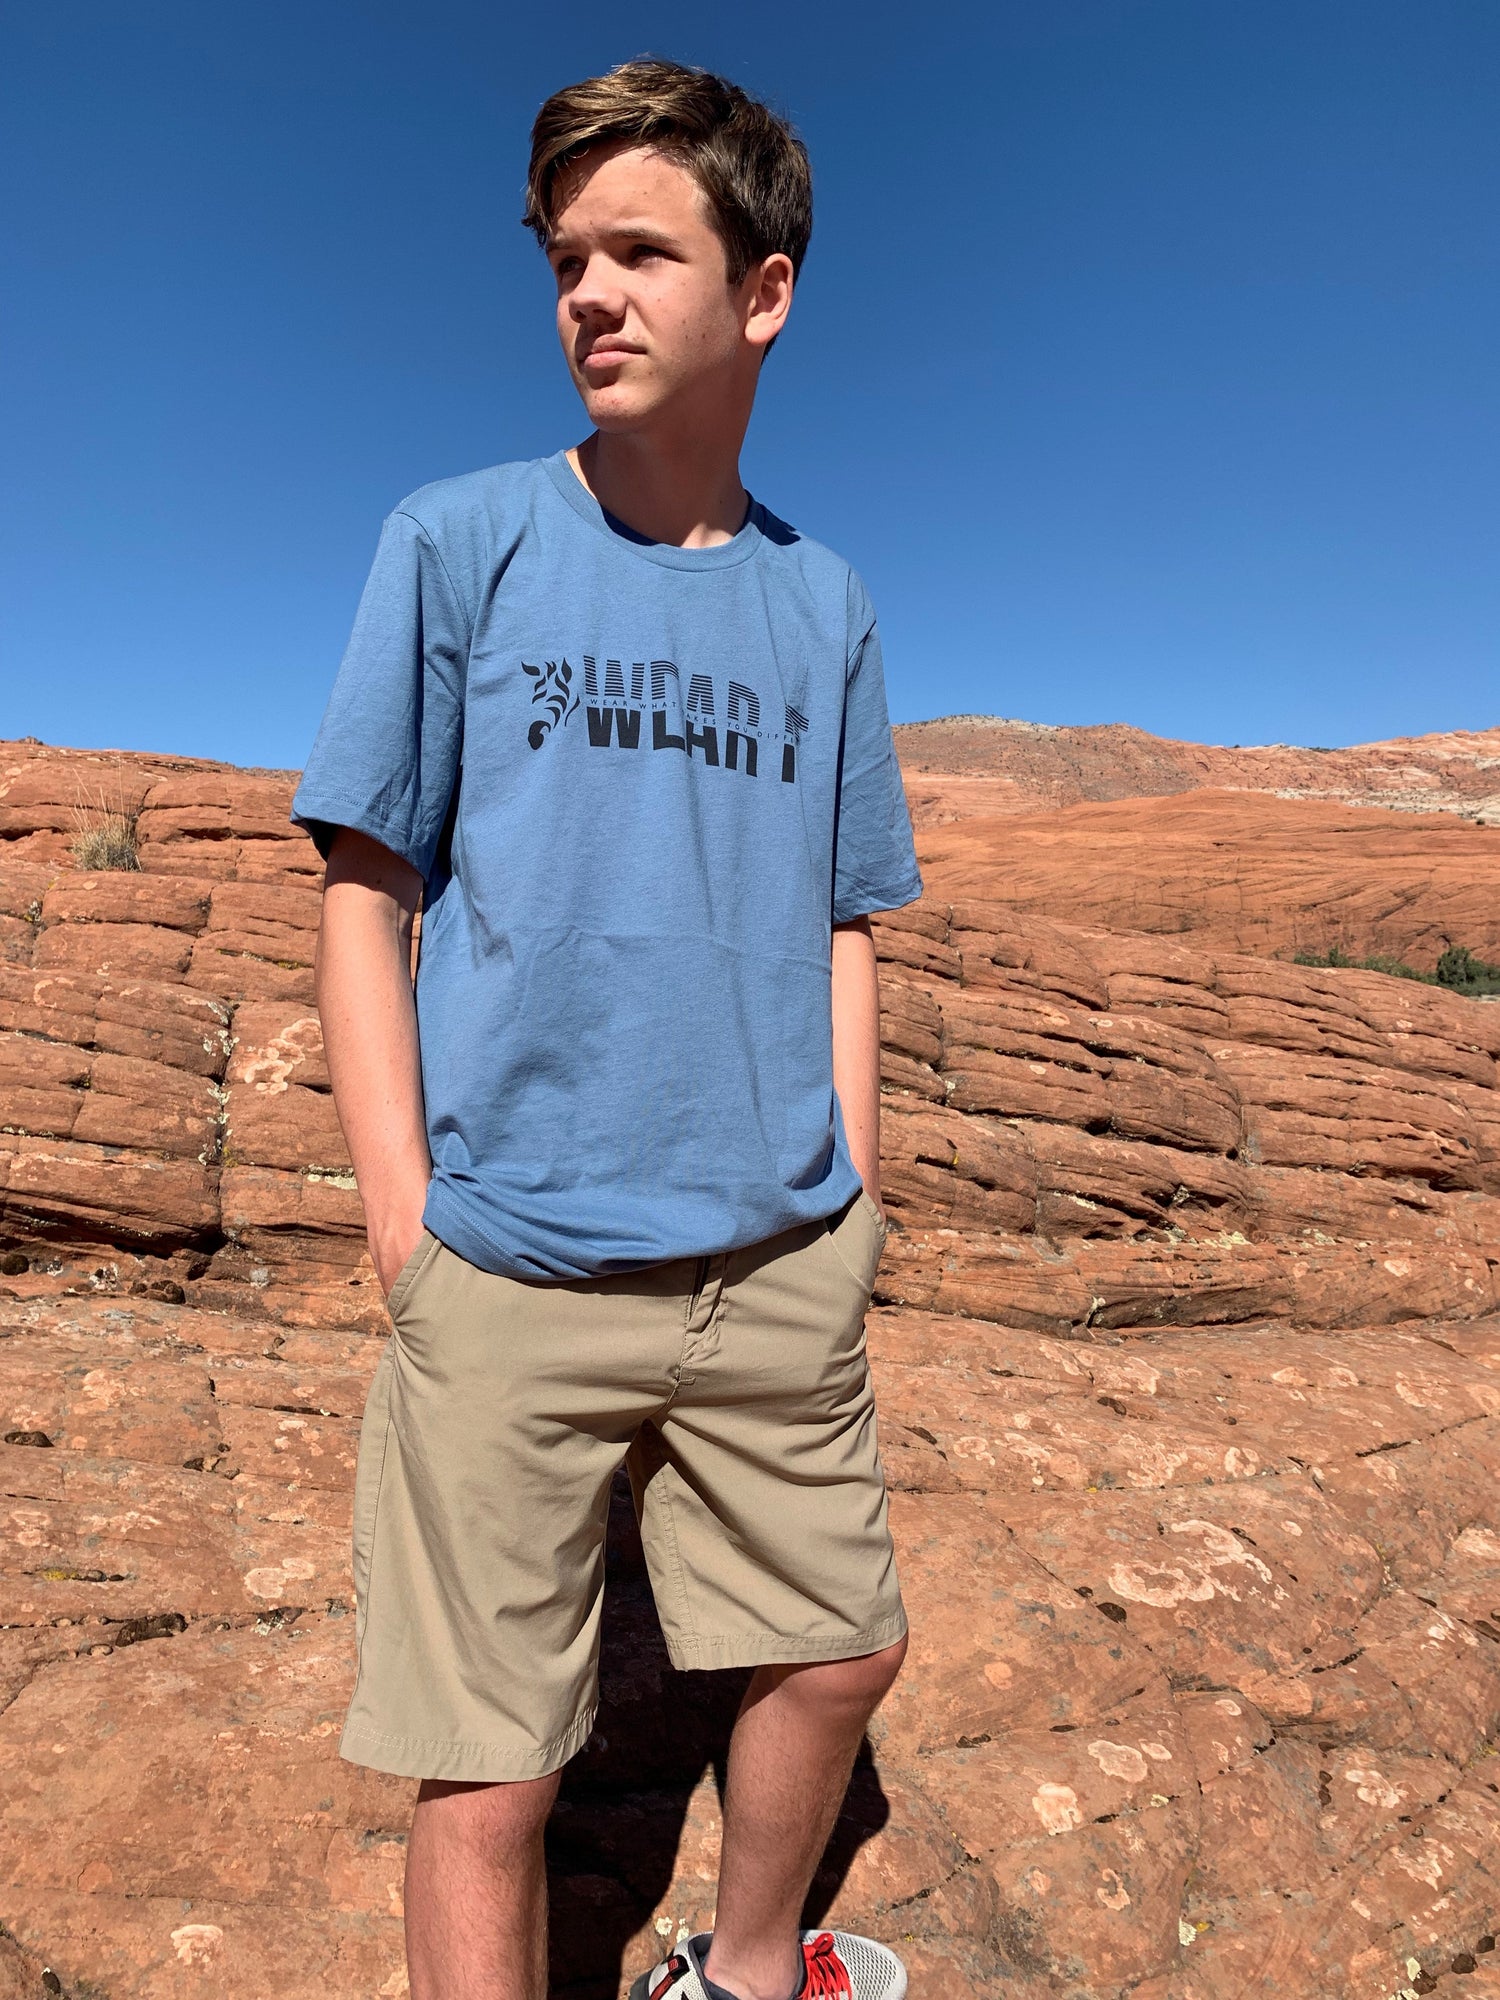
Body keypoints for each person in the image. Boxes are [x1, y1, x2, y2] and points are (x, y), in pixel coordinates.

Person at [292, 57, 922, 2000]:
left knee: (837, 1650)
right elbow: (364, 890)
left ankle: (736, 1974)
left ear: (767, 291)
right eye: (570, 256)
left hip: (770, 1270)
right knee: (490, 1769)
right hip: (509, 1264)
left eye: (643, 248)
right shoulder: (461, 541)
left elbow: (841, 919)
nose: (590, 291)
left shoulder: (825, 608)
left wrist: (853, 1196)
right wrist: (404, 1216)